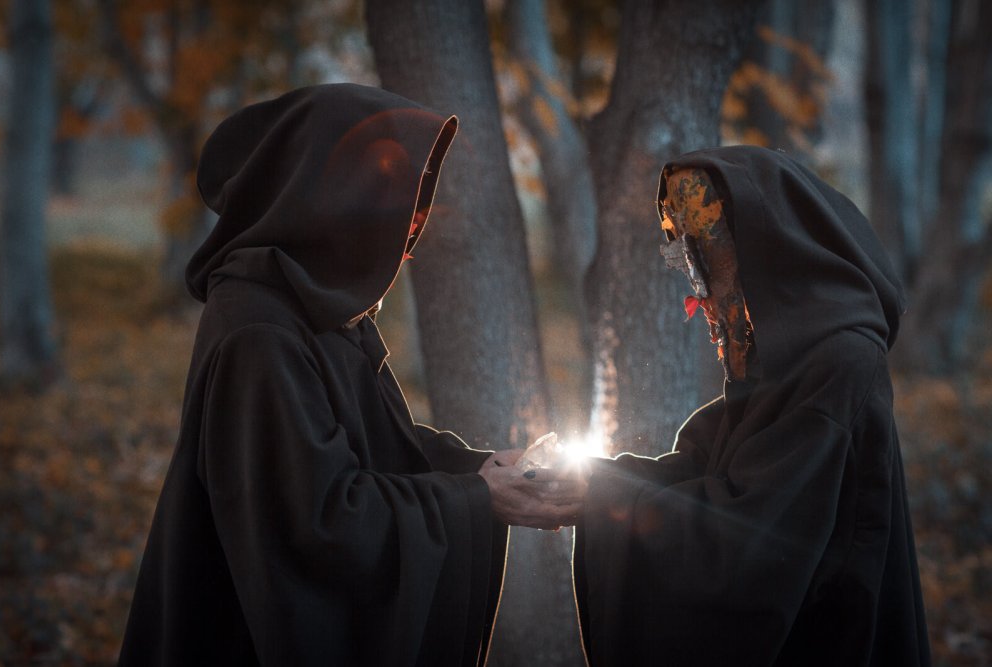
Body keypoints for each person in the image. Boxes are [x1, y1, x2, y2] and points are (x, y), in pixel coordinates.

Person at [118, 83, 581, 667]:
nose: (416, 219)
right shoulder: (259, 335)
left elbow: (367, 448)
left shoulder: (316, 304)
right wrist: (475, 500)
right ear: (329, 194)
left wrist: (479, 470)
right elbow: (318, 525)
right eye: (393, 191)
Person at [571, 145, 931, 666]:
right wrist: (591, 487)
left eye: (706, 261)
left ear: (762, 248)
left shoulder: (839, 360)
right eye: (690, 262)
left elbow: (751, 546)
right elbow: (715, 469)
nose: (702, 296)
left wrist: (603, 501)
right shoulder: (781, 353)